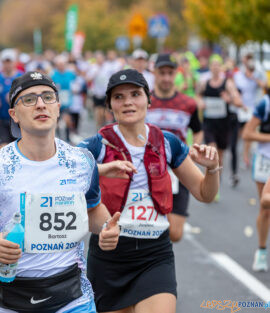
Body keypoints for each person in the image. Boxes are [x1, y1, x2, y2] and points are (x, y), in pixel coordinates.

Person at [0, 71, 121, 313]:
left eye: (48, 97)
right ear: (14, 115)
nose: (41, 104)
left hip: (74, 299)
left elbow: (93, 209)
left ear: (57, 107)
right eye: (29, 99)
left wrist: (107, 227)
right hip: (14, 301)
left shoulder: (82, 162)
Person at [78, 69, 220, 313]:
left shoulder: (168, 143)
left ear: (148, 99)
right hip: (109, 255)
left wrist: (212, 169)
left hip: (155, 255)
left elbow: (204, 194)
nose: (128, 102)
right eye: (119, 97)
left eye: (135, 94)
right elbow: (62, 182)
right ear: (110, 105)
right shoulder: (95, 146)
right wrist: (99, 170)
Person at [146, 53, 203, 242]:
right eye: (162, 73)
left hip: (177, 171)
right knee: (147, 225)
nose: (166, 78)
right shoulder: (143, 102)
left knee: (175, 234)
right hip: (147, 172)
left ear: (175, 74)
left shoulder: (188, 104)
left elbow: (197, 130)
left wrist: (195, 149)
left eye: (170, 73)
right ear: (154, 73)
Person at [196, 54, 241, 200]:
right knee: (211, 150)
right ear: (210, 67)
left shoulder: (227, 83)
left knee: (219, 156)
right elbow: (197, 96)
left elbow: (237, 100)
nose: (215, 67)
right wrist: (200, 102)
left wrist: (230, 99)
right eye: (213, 64)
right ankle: (206, 183)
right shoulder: (205, 83)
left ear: (221, 67)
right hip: (209, 123)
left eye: (217, 64)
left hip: (223, 124)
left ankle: (216, 184)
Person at [242, 87, 270, 272]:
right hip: (265, 160)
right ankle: (261, 250)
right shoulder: (265, 103)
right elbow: (247, 133)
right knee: (266, 207)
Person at [0, 49, 22, 149]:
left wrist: (16, 100)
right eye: (5, 62)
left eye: (9, 61)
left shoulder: (21, 77)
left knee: (18, 149)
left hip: (18, 120)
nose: (7, 64)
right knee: (3, 148)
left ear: (14, 62)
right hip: (0, 118)